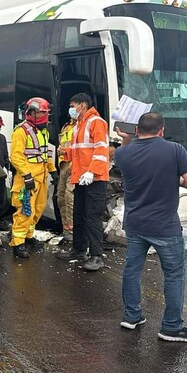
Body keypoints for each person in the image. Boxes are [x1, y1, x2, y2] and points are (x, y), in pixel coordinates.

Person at [114, 112, 187, 343]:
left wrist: (125, 139)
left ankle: (131, 316)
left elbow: (124, 153)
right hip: (164, 226)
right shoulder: (174, 150)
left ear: (136, 131)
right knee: (174, 274)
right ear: (161, 131)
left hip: (135, 223)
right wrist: (177, 180)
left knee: (132, 269)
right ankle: (171, 327)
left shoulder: (123, 153)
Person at [56, 93, 109, 271]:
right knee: (79, 215)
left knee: (93, 217)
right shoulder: (79, 124)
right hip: (80, 179)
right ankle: (79, 250)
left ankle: (96, 256)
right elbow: (80, 151)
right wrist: (66, 152)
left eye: (73, 105)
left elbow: (101, 150)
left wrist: (92, 172)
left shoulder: (96, 122)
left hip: (94, 179)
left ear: (83, 105)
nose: (71, 109)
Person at [9, 97, 58, 258]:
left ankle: (28, 236)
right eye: (41, 113)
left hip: (40, 178)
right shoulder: (20, 131)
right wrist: (27, 176)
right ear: (31, 113)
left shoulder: (42, 131)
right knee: (24, 212)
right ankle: (18, 242)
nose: (44, 116)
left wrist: (53, 171)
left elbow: (44, 154)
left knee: (38, 209)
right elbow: (16, 157)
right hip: (27, 180)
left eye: (45, 113)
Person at [56, 113, 77, 241]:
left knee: (70, 197)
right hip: (63, 164)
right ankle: (66, 228)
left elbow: (81, 149)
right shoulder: (66, 127)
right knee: (60, 197)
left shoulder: (82, 126)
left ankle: (74, 229)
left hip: (73, 165)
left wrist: (74, 164)